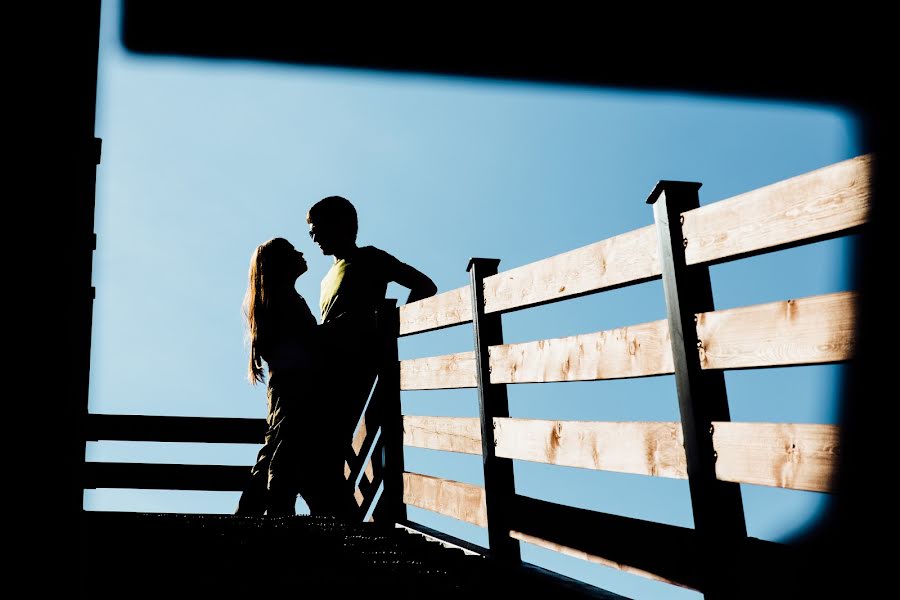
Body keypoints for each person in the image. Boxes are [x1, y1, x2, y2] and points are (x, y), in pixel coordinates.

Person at [306, 196, 438, 447]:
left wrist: (393, 325)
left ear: (340, 225)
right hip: (325, 370)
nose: (314, 238)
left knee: (330, 445)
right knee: (319, 447)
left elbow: (424, 286)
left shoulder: (370, 257)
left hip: (356, 365)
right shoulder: (325, 279)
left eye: (318, 230)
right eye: (311, 233)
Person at [235, 237, 349, 517]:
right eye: (291, 251)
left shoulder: (276, 299)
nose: (300, 252)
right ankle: (279, 513)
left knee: (277, 445)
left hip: (285, 386)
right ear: (281, 264)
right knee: (286, 447)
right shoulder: (283, 300)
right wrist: (338, 328)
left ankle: (248, 514)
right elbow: (301, 341)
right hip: (296, 385)